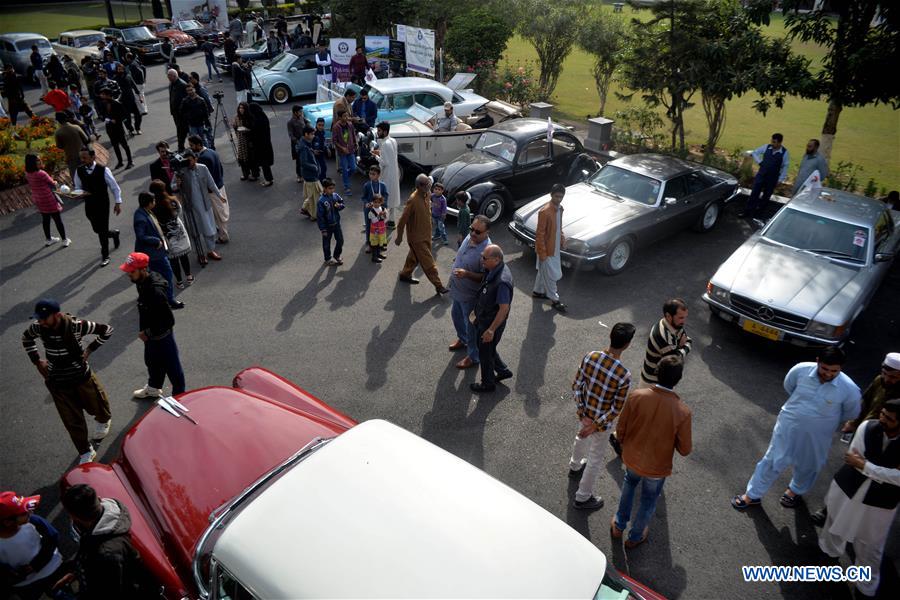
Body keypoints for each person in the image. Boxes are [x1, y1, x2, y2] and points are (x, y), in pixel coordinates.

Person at [732, 347, 861, 510]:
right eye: (825, 368)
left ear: (841, 368)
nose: (828, 374)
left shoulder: (849, 389)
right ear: (817, 361)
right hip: (788, 425)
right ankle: (752, 495)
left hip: (819, 435)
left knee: (810, 465)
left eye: (834, 371)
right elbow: (789, 386)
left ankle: (794, 491)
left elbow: (851, 412)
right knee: (772, 459)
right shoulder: (800, 370)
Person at [815, 399, 900, 598]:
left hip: (879, 503)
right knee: (834, 522)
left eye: (889, 418)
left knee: (870, 543)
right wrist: (888, 472)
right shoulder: (867, 426)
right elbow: (853, 459)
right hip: (848, 486)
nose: (882, 419)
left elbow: (865, 464)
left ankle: (866, 585)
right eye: (882, 414)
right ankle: (829, 551)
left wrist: (867, 467)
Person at [613, 355, 691, 547]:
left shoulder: (637, 396)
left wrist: (623, 444)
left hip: (632, 457)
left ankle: (618, 525)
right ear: (678, 379)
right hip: (657, 467)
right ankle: (635, 536)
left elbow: (621, 427)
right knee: (648, 500)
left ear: (656, 372)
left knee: (628, 486)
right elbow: (685, 449)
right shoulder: (682, 412)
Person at [21, 299, 113, 464]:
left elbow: (106, 330)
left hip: (81, 376)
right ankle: (85, 451)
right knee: (71, 419)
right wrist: (37, 361)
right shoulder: (38, 327)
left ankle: (103, 420)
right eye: (38, 318)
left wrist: (89, 350)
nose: (40, 321)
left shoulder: (77, 325)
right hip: (57, 381)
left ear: (56, 315)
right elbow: (26, 339)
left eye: (43, 317)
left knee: (96, 405)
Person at [569, 322, 636, 510]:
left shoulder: (591, 357)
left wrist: (583, 415)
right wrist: (596, 424)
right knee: (595, 459)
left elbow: (576, 386)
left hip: (585, 415)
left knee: (580, 437)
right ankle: (583, 496)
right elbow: (616, 408)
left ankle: (574, 465)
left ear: (610, 336)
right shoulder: (624, 376)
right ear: (627, 344)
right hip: (601, 424)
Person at [58, 485, 156, 599]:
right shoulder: (103, 528)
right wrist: (77, 572)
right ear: (99, 499)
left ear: (74, 517)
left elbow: (108, 593)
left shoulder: (106, 554)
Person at [121, 252, 186, 398]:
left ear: (143, 269)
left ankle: (180, 397)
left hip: (162, 336)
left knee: (173, 368)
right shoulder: (142, 281)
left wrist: (147, 333)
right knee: (152, 362)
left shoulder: (155, 292)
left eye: (131, 271)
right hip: (151, 334)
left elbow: (168, 320)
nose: (128, 274)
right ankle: (154, 388)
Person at [0, 492, 64, 599]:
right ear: (7, 522)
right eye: (24, 512)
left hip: (26, 583)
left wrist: (27, 570)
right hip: (52, 567)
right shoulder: (32, 521)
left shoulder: (31, 520)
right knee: (61, 592)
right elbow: (52, 536)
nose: (30, 511)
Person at [448, 215, 492, 369]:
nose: (473, 233)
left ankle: (473, 356)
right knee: (456, 316)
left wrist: (466, 274)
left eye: (478, 232)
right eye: (471, 229)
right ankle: (463, 339)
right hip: (458, 291)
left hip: (471, 297)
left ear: (487, 233)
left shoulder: (487, 251)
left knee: (471, 327)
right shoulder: (470, 236)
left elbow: (485, 277)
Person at [396, 174, 449, 294]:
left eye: (429, 184)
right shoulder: (413, 200)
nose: (430, 186)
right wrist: (399, 237)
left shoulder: (427, 194)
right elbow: (402, 221)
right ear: (419, 186)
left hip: (426, 235)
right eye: (427, 185)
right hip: (417, 238)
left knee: (413, 257)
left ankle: (405, 274)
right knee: (428, 261)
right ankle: (439, 285)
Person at [470, 244, 513, 393]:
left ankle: (487, 384)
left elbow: (503, 309)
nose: (482, 260)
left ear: (496, 259)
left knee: (485, 353)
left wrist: (491, 330)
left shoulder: (502, 282)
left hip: (490, 323)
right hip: (484, 319)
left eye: (484, 258)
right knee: (487, 349)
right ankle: (503, 371)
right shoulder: (493, 269)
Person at [72, 147, 122, 267]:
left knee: (102, 231)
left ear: (93, 157)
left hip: (102, 203)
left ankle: (105, 255)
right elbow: (78, 187)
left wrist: (118, 202)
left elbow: (114, 187)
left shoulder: (103, 170)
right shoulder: (79, 170)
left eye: (85, 157)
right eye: (81, 158)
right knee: (97, 229)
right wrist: (77, 193)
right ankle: (114, 234)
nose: (82, 160)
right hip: (89, 204)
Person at [172, 149, 223, 262]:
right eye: (187, 161)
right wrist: (177, 184)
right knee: (194, 232)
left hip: (204, 205)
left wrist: (219, 195)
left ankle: (210, 250)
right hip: (190, 208)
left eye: (190, 160)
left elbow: (211, 183)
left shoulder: (202, 168)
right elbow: (172, 186)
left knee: (208, 229)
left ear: (195, 159)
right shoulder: (180, 170)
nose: (189, 163)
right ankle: (200, 254)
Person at [133, 192, 182, 309]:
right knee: (167, 273)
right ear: (149, 203)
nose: (155, 203)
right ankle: (170, 300)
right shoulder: (141, 218)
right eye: (153, 201)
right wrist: (156, 240)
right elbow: (141, 236)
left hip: (155, 253)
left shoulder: (145, 212)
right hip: (154, 254)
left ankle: (157, 299)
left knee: (153, 278)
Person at [150, 180, 193, 289]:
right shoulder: (173, 200)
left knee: (173, 259)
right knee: (184, 256)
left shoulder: (153, 207)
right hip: (178, 230)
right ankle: (189, 276)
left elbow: (154, 222)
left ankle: (179, 281)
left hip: (167, 235)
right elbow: (180, 210)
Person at [843, 352, 900, 433]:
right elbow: (865, 401)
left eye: (893, 377)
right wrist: (853, 422)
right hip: (864, 429)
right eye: (884, 373)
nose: (886, 379)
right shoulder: (879, 380)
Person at [640, 298, 692, 386]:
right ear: (668, 316)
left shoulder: (673, 325)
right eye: (681, 318)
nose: (684, 321)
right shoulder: (663, 337)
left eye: (685, 317)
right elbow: (675, 361)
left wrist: (679, 347)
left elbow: (686, 340)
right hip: (652, 382)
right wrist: (682, 347)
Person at [533, 183, 568, 311]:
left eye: (561, 197)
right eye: (557, 196)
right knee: (552, 275)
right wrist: (542, 254)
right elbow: (540, 235)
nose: (558, 199)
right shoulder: (545, 212)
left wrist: (562, 239)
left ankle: (538, 291)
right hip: (547, 250)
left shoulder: (560, 209)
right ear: (551, 195)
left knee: (544, 272)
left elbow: (559, 227)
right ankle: (555, 300)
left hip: (554, 248)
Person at [188, 135, 229, 243]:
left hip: (212, 190)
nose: (191, 148)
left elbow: (205, 179)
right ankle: (222, 232)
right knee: (221, 211)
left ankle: (223, 236)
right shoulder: (212, 151)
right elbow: (220, 168)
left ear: (198, 145)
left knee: (218, 214)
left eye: (192, 145)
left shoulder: (203, 159)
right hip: (220, 185)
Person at [741, 132, 789, 219]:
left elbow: (785, 166)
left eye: (774, 142)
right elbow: (755, 152)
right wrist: (760, 162)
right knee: (754, 193)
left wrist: (780, 179)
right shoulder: (766, 147)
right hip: (761, 175)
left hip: (772, 178)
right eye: (772, 141)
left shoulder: (784, 153)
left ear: (780, 143)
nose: (772, 143)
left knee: (766, 196)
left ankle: (758, 215)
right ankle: (747, 212)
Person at [24, 154, 69, 248]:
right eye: (38, 160)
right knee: (57, 219)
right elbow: (52, 183)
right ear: (33, 163)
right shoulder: (41, 173)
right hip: (48, 198)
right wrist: (56, 182)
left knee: (45, 219)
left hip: (38, 199)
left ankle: (48, 239)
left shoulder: (27, 174)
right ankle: (64, 240)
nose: (40, 161)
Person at [97, 88, 133, 170]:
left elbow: (124, 116)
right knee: (115, 145)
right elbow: (102, 115)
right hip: (109, 128)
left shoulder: (117, 103)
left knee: (124, 145)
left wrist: (118, 121)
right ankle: (120, 162)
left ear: (108, 95)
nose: (101, 96)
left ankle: (130, 161)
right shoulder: (103, 104)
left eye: (103, 94)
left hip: (118, 128)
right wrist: (106, 118)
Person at [373, 121, 400, 227]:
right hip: (394, 172)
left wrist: (375, 156)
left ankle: (380, 220)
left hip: (387, 174)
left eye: (379, 131)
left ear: (384, 131)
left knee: (384, 197)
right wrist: (379, 153)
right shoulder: (393, 140)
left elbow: (384, 162)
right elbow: (390, 156)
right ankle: (392, 220)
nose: (377, 133)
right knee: (393, 196)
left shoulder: (385, 144)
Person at [317, 179, 345, 266]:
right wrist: (323, 229)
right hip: (327, 226)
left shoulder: (335, 196)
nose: (332, 190)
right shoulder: (321, 201)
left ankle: (337, 255)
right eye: (330, 188)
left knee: (340, 240)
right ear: (324, 188)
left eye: (333, 188)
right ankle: (327, 259)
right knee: (326, 243)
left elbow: (343, 204)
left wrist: (339, 206)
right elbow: (320, 217)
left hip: (336, 223)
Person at [54, 111, 89, 179]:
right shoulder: (76, 127)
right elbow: (86, 139)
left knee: (76, 177)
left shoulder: (58, 133)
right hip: (83, 154)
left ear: (58, 121)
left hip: (71, 158)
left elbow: (59, 146)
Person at [360, 165, 389, 249]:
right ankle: (369, 243)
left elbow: (386, 195)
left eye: (374, 174)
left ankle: (381, 242)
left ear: (379, 175)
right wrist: (367, 203)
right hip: (369, 210)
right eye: (370, 173)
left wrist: (384, 205)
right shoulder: (367, 185)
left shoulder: (382, 185)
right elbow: (363, 197)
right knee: (369, 225)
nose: (371, 175)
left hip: (380, 209)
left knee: (381, 225)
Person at [247, 103, 275, 186]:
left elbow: (255, 132)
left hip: (260, 146)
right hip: (266, 144)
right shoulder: (263, 117)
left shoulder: (257, 120)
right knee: (264, 163)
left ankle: (268, 179)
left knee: (264, 163)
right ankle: (267, 178)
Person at [298, 125, 322, 219]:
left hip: (311, 174)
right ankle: (313, 215)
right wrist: (315, 167)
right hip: (311, 174)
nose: (313, 136)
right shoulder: (304, 147)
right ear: (306, 134)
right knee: (314, 196)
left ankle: (305, 208)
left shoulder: (306, 144)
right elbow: (304, 163)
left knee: (313, 194)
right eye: (312, 134)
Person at [332, 110, 357, 196]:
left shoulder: (350, 125)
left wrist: (355, 143)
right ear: (339, 117)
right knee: (345, 169)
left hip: (351, 150)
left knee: (354, 168)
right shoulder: (336, 127)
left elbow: (353, 135)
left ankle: (345, 176)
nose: (346, 118)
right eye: (344, 116)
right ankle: (347, 187)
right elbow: (334, 141)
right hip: (342, 152)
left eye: (347, 116)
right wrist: (342, 148)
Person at [180, 85, 212, 152]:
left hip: (201, 124)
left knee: (203, 139)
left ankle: (207, 152)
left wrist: (207, 124)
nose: (190, 92)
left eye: (191, 90)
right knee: (193, 141)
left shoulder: (201, 100)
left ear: (194, 90)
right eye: (188, 90)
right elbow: (182, 112)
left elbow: (206, 113)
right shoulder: (185, 101)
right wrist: (187, 119)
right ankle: (196, 154)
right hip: (192, 125)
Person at [114, 62, 141, 134]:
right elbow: (113, 91)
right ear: (117, 70)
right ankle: (130, 130)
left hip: (131, 99)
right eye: (118, 69)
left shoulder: (128, 76)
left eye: (121, 69)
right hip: (122, 101)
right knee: (126, 117)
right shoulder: (115, 79)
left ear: (123, 69)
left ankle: (137, 128)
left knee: (138, 115)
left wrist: (140, 96)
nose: (120, 70)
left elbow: (134, 86)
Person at [167, 69, 189, 152]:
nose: (168, 77)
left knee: (182, 130)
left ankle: (181, 147)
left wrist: (184, 111)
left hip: (182, 113)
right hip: (175, 113)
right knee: (180, 130)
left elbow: (187, 98)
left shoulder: (182, 84)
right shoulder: (171, 84)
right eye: (168, 76)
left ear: (175, 76)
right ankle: (181, 147)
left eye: (170, 76)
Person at [233, 101, 255, 180]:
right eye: (240, 108)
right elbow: (235, 126)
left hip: (249, 140)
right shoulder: (237, 117)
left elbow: (253, 129)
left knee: (251, 158)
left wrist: (247, 129)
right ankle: (245, 173)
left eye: (242, 108)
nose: (241, 110)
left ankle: (254, 174)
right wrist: (236, 128)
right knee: (242, 158)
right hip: (241, 140)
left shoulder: (249, 117)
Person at [368, 195, 388, 263]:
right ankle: (374, 257)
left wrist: (385, 215)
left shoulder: (383, 209)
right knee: (375, 244)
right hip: (374, 231)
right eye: (375, 202)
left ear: (381, 202)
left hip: (381, 229)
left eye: (378, 202)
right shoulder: (371, 211)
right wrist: (379, 216)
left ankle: (378, 254)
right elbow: (373, 221)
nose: (376, 204)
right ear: (372, 202)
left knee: (380, 242)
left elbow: (386, 219)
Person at [287, 105, 306, 179]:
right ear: (295, 112)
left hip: (304, 141)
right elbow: (291, 135)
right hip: (297, 143)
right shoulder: (290, 122)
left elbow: (306, 122)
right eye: (300, 112)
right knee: (298, 160)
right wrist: (298, 142)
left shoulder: (301, 118)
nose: (301, 113)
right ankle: (299, 175)